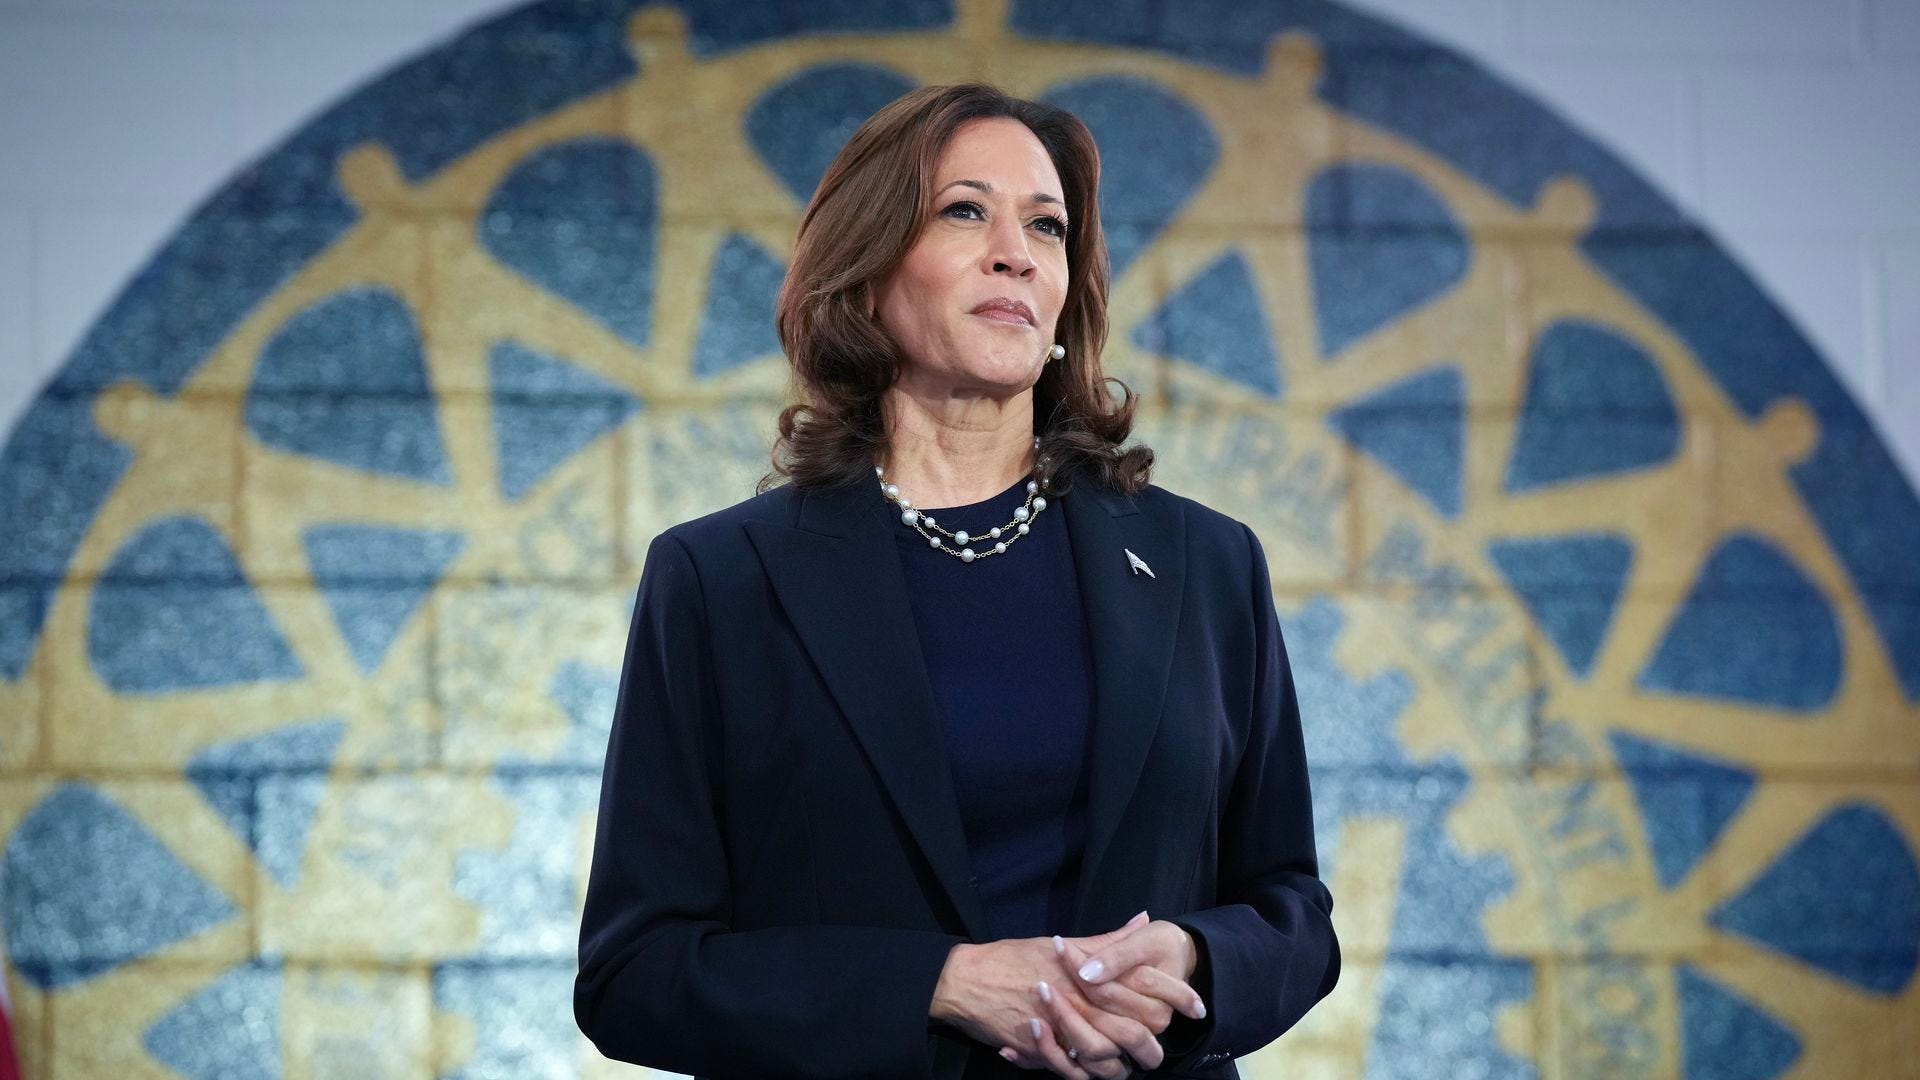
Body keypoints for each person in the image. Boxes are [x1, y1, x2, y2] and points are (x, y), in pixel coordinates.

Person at [573, 82, 1339, 1079]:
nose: (1015, 252)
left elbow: (1292, 914)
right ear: (866, 271)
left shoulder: (1207, 562)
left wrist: (1196, 960)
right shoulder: (721, 579)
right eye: (965, 211)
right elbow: (634, 973)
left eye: (1047, 226)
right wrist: (938, 985)